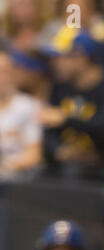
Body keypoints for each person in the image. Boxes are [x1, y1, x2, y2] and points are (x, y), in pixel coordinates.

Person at [40, 28, 104, 182]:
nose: (55, 64)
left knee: (74, 174)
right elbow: (48, 128)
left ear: (81, 58)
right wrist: (59, 150)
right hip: (64, 162)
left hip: (103, 167)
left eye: (60, 57)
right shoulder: (60, 86)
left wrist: (65, 119)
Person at [0, 50, 42, 179]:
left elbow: (34, 155)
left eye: (4, 72)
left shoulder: (28, 106)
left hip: (15, 181)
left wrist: (6, 166)